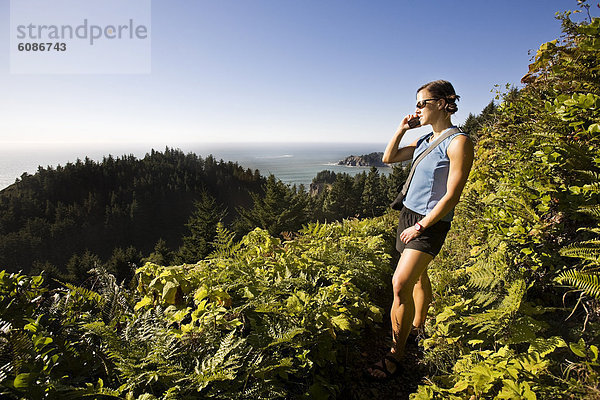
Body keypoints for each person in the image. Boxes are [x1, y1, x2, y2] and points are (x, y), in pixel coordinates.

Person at [366, 80, 474, 380]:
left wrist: (422, 225)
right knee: (417, 278)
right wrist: (402, 129)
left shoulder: (459, 142)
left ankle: (394, 357)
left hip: (429, 221)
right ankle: (417, 328)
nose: (416, 110)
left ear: (441, 103)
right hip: (409, 214)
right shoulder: (426, 139)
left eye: (421, 103)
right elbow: (388, 158)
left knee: (399, 283)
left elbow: (453, 194)